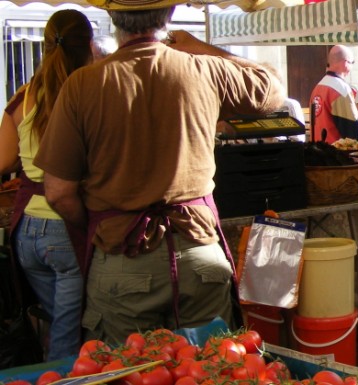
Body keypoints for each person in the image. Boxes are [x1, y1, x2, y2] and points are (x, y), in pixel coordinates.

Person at [34, 0, 285, 345]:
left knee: (130, 373)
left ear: (111, 15)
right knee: (212, 370)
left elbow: (59, 192)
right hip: (200, 255)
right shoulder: (204, 68)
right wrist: (202, 48)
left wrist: (98, 225)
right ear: (168, 15)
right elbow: (272, 86)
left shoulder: (83, 84)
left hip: (123, 257)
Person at [0, 9, 92, 361]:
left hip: (26, 233)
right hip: (66, 225)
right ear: (89, 46)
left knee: (58, 325)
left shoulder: (24, 97)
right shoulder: (88, 93)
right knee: (70, 335)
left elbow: (4, 161)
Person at [310, 46, 358, 143]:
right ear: (346, 63)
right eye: (352, 62)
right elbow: (352, 130)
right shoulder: (341, 89)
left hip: (318, 151)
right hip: (336, 153)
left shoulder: (317, 88)